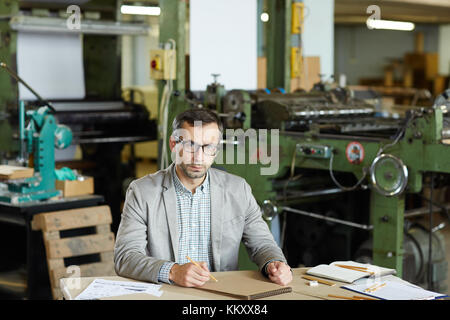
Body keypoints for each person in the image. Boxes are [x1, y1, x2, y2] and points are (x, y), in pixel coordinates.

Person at [114, 108, 292, 287]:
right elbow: (125, 257)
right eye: (190, 145)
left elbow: (262, 244)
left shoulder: (238, 190)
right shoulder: (142, 192)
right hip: (166, 293)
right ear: (174, 145)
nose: (199, 157)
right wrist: (173, 271)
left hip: (222, 294)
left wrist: (274, 263)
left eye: (208, 147)